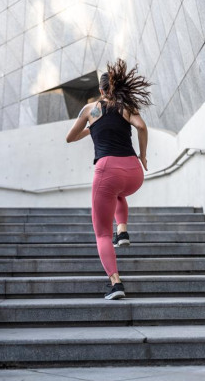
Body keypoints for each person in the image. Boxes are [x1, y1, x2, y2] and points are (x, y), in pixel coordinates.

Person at [65, 58, 152, 300]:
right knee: (118, 193)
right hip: (133, 172)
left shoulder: (90, 109)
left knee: (102, 233)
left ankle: (116, 283)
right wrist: (143, 156)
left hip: (107, 171)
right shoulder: (126, 106)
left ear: (101, 90)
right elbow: (142, 128)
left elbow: (70, 137)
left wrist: (91, 127)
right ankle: (122, 231)